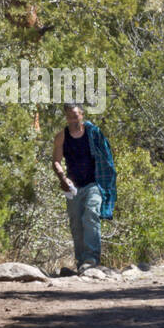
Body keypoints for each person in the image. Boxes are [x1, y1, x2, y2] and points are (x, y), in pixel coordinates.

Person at [52, 102, 117, 273]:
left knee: (91, 215)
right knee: (76, 223)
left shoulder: (93, 134)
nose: (72, 119)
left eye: (75, 115)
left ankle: (91, 259)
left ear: (82, 115)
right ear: (66, 117)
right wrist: (62, 178)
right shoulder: (61, 136)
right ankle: (81, 261)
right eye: (69, 116)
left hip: (93, 184)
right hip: (73, 187)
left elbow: (105, 158)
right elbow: (56, 161)